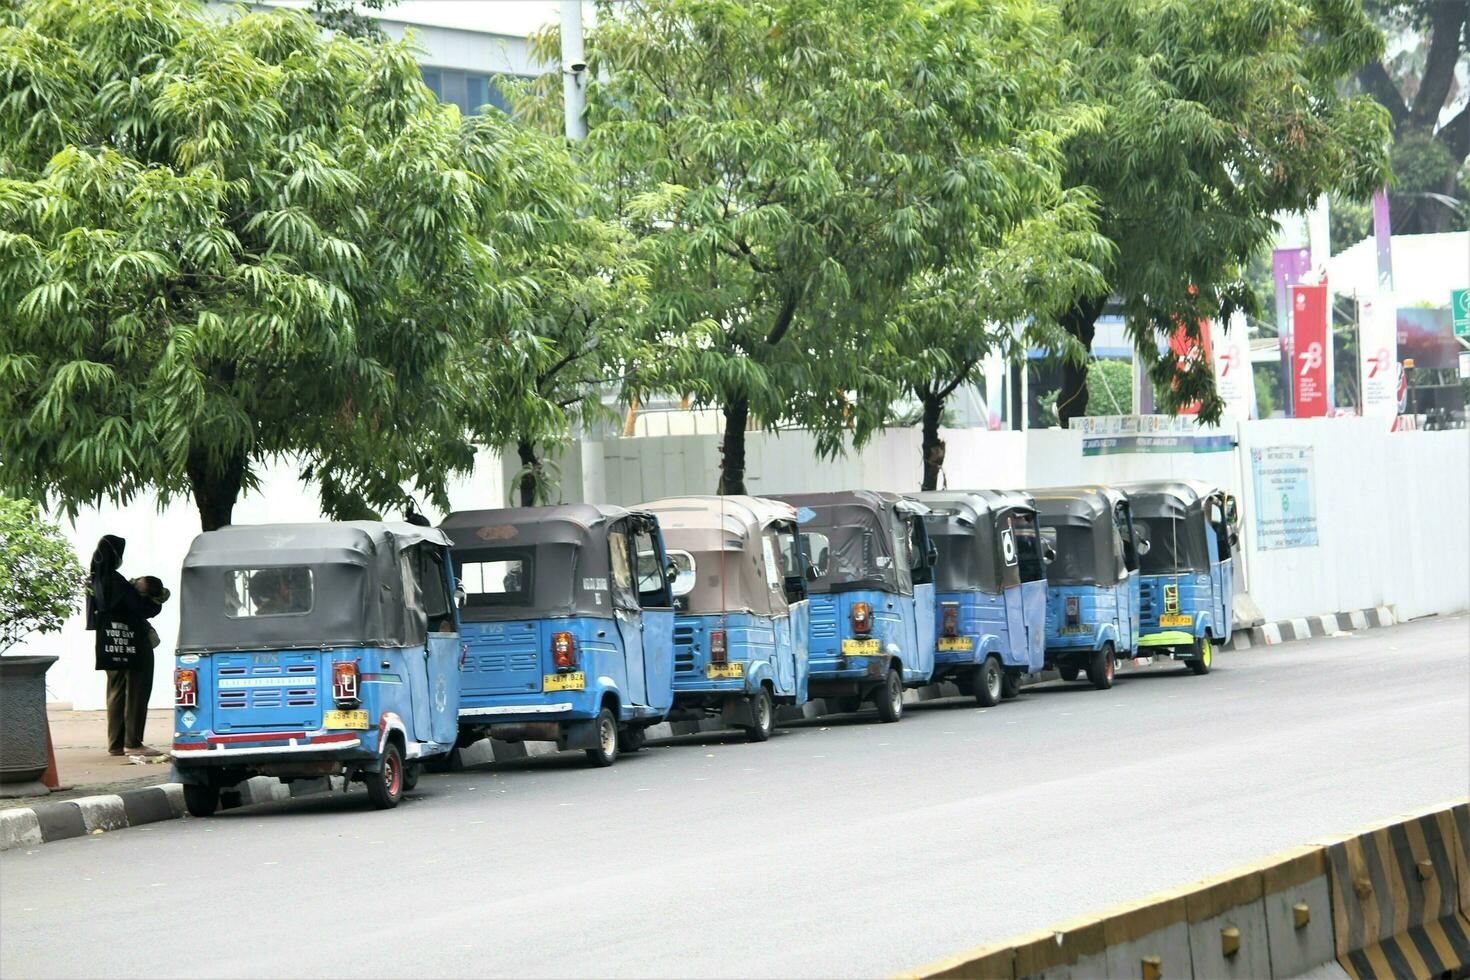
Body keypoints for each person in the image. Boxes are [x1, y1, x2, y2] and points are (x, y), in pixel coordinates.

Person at [86, 536, 163, 757]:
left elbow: (93, 618)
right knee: (138, 689)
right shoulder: (118, 582)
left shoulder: (94, 580)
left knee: (115, 690)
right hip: (133, 642)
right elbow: (142, 608)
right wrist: (156, 596)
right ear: (116, 555)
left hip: (109, 641)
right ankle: (134, 742)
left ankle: (116, 744)